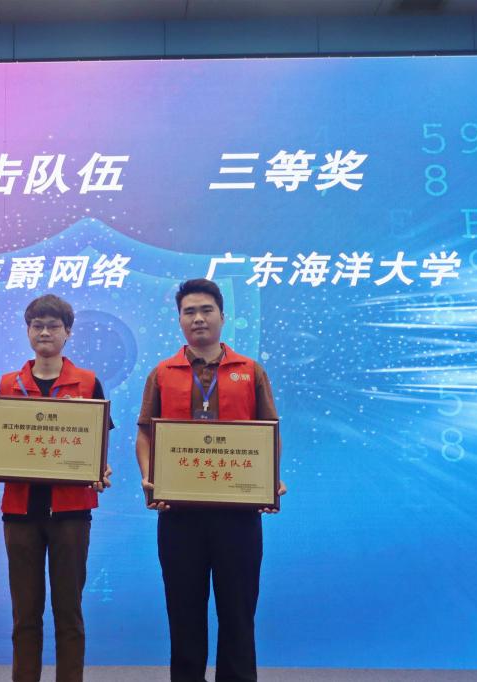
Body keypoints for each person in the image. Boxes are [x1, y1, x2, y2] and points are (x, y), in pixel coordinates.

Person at [135, 279, 287, 682]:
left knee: (238, 611)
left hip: (237, 514)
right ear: (179, 320)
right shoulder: (162, 373)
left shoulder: (250, 371)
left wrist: (270, 479)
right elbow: (146, 434)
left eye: (206, 310)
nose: (198, 318)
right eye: (189, 311)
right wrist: (150, 478)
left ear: (222, 316)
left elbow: (269, 431)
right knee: (183, 611)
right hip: (178, 513)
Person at [0, 294, 112, 682]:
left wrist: (101, 469)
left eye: (53, 326)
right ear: (27, 331)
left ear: (67, 332)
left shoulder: (88, 382)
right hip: (20, 512)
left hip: (72, 513)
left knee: (69, 611)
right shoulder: (9, 383)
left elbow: (97, 444)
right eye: (37, 325)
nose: (45, 332)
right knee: (24, 614)